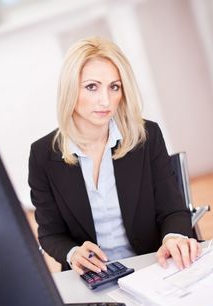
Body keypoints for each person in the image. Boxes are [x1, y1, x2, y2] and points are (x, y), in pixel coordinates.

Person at [28, 36, 201, 274]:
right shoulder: (42, 155)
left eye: (114, 86)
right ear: (70, 89)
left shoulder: (146, 136)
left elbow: (173, 210)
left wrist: (173, 237)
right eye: (91, 86)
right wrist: (72, 253)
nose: (105, 100)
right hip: (94, 277)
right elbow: (50, 234)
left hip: (153, 266)